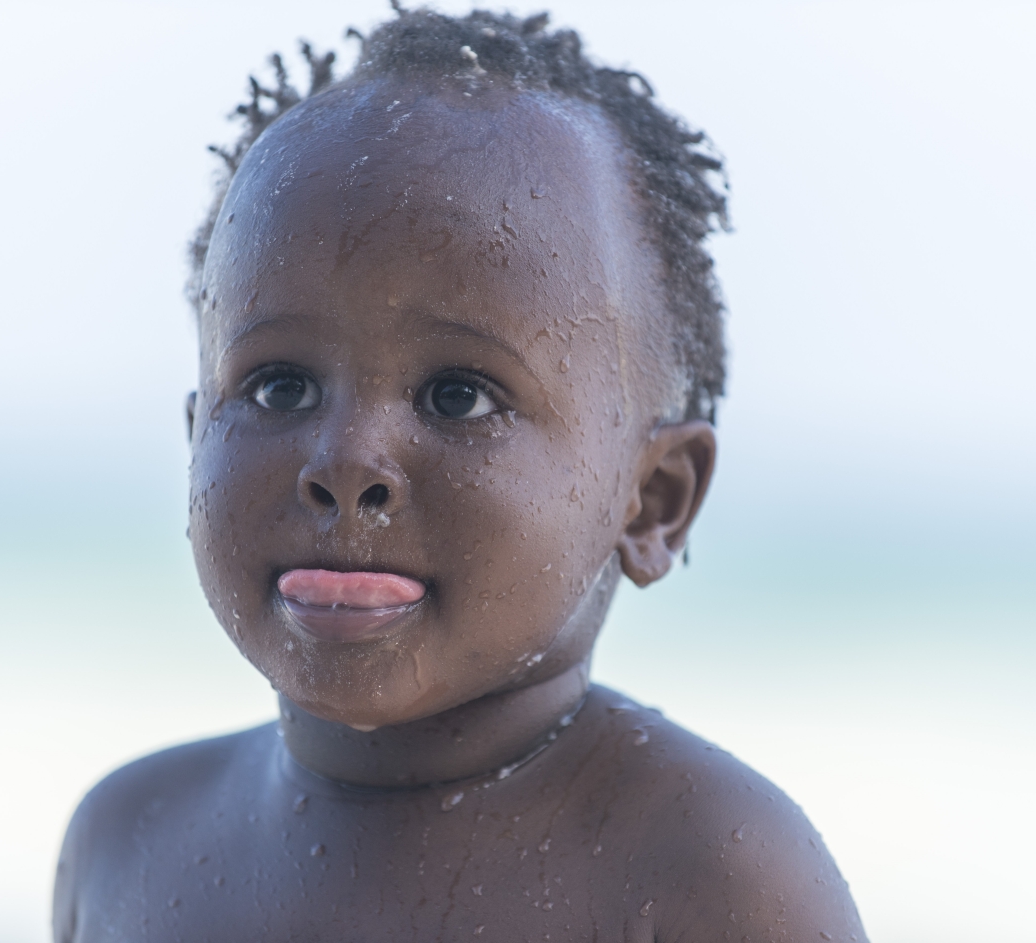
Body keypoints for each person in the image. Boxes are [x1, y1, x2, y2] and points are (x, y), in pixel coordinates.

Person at [53, 7, 867, 940]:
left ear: (654, 498)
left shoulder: (711, 876)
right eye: (278, 386)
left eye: (458, 397)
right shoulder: (128, 838)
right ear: (197, 435)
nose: (346, 461)